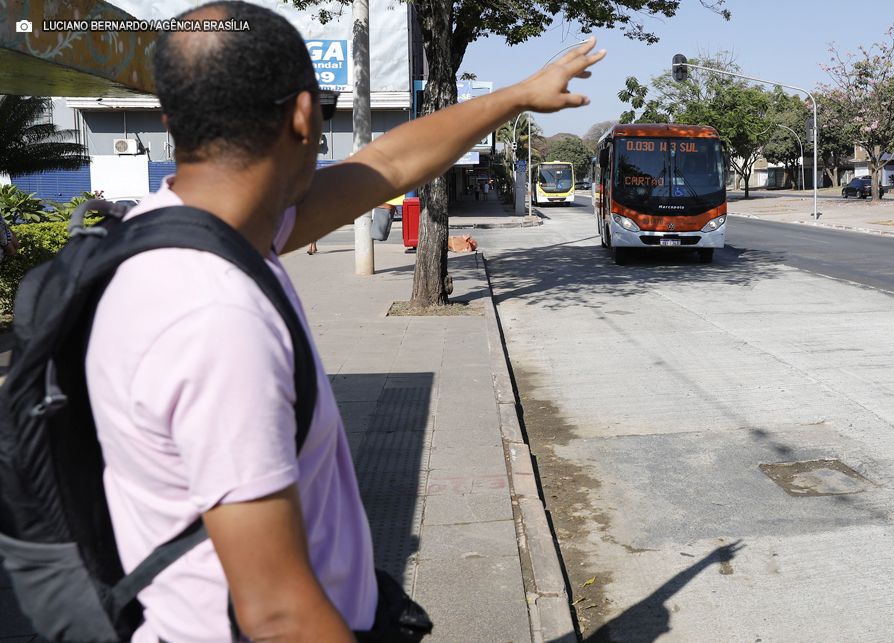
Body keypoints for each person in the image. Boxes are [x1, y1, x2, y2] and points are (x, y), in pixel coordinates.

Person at [82, 1, 604, 641]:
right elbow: (277, 614)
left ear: (172, 122)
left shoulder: (188, 230)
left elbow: (387, 164)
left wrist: (519, 96)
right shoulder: (213, 315)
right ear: (304, 116)